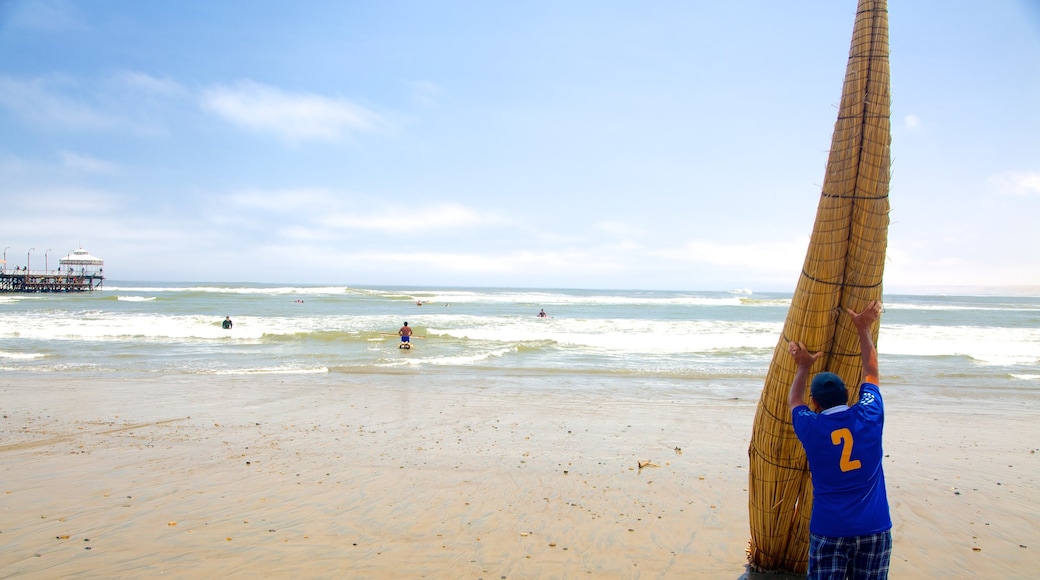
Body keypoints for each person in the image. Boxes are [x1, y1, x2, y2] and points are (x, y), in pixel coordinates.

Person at [787, 300, 891, 579]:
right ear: (848, 395)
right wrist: (863, 328)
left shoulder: (811, 427)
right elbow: (871, 371)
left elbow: (794, 401)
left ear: (815, 403)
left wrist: (803, 367)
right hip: (874, 528)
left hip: (829, 530)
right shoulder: (870, 414)